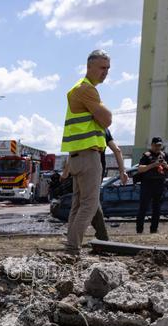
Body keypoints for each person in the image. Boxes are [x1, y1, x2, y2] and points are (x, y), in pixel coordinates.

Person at [62, 49, 113, 253]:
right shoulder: (86, 89)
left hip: (77, 157)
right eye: (102, 67)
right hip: (88, 156)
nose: (105, 72)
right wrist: (101, 111)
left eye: (107, 68)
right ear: (89, 66)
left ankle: (71, 245)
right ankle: (73, 247)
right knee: (90, 205)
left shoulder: (78, 89)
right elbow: (107, 120)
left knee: (78, 205)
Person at [134, 137, 168, 234]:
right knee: (143, 208)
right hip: (147, 184)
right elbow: (140, 169)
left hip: (160, 184)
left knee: (157, 208)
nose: (157, 147)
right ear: (152, 145)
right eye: (156, 145)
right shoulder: (147, 155)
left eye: (159, 145)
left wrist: (166, 165)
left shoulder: (164, 155)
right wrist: (153, 165)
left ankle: (154, 230)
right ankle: (139, 230)